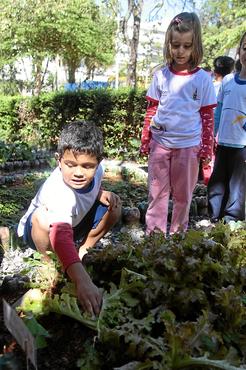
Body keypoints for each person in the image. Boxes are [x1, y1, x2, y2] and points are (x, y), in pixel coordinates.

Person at [17, 120, 121, 315]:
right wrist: (82, 280)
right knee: (42, 217)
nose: (79, 173)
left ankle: (82, 251)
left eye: (87, 166)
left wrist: (101, 194)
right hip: (39, 233)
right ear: (59, 160)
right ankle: (47, 261)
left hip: (72, 223)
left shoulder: (98, 170)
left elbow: (92, 189)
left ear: (98, 162)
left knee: (115, 206)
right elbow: (59, 234)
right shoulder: (57, 191)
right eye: (70, 165)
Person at [140, 12, 217, 235]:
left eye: (186, 46)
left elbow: (207, 116)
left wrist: (206, 148)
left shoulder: (203, 79)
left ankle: (177, 238)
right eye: (176, 45)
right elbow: (152, 110)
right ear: (169, 44)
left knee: (183, 196)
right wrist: (146, 139)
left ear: (195, 46)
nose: (180, 51)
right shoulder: (161, 76)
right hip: (160, 145)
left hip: (189, 147)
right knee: (157, 194)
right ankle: (154, 238)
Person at [207, 32, 246, 223]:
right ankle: (214, 217)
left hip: (243, 147)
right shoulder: (228, 80)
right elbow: (218, 111)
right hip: (223, 143)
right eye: (245, 47)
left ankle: (232, 220)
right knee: (217, 182)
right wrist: (211, 135)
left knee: (237, 186)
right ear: (239, 51)